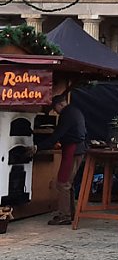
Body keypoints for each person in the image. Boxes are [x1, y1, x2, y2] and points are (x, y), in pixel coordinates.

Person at [35, 94, 87, 225]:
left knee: (63, 183)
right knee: (69, 183)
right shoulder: (75, 111)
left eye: (55, 108)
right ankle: (71, 212)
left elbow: (57, 134)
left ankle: (64, 215)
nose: (55, 112)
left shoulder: (66, 114)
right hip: (77, 149)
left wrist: (37, 147)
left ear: (60, 105)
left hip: (72, 149)